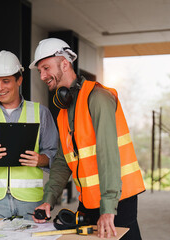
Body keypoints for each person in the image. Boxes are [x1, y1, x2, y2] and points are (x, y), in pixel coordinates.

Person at [29, 38, 145, 239]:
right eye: (40, 71)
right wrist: (49, 198)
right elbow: (63, 160)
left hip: (117, 200)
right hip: (89, 201)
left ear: (64, 63)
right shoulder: (64, 112)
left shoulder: (98, 98)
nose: (42, 76)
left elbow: (108, 152)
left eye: (46, 68)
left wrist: (108, 207)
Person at [0, 50, 58, 220]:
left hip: (30, 200)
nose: (0, 88)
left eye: (6, 81)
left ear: (19, 80)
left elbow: (56, 156)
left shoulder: (40, 113)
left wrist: (40, 159)